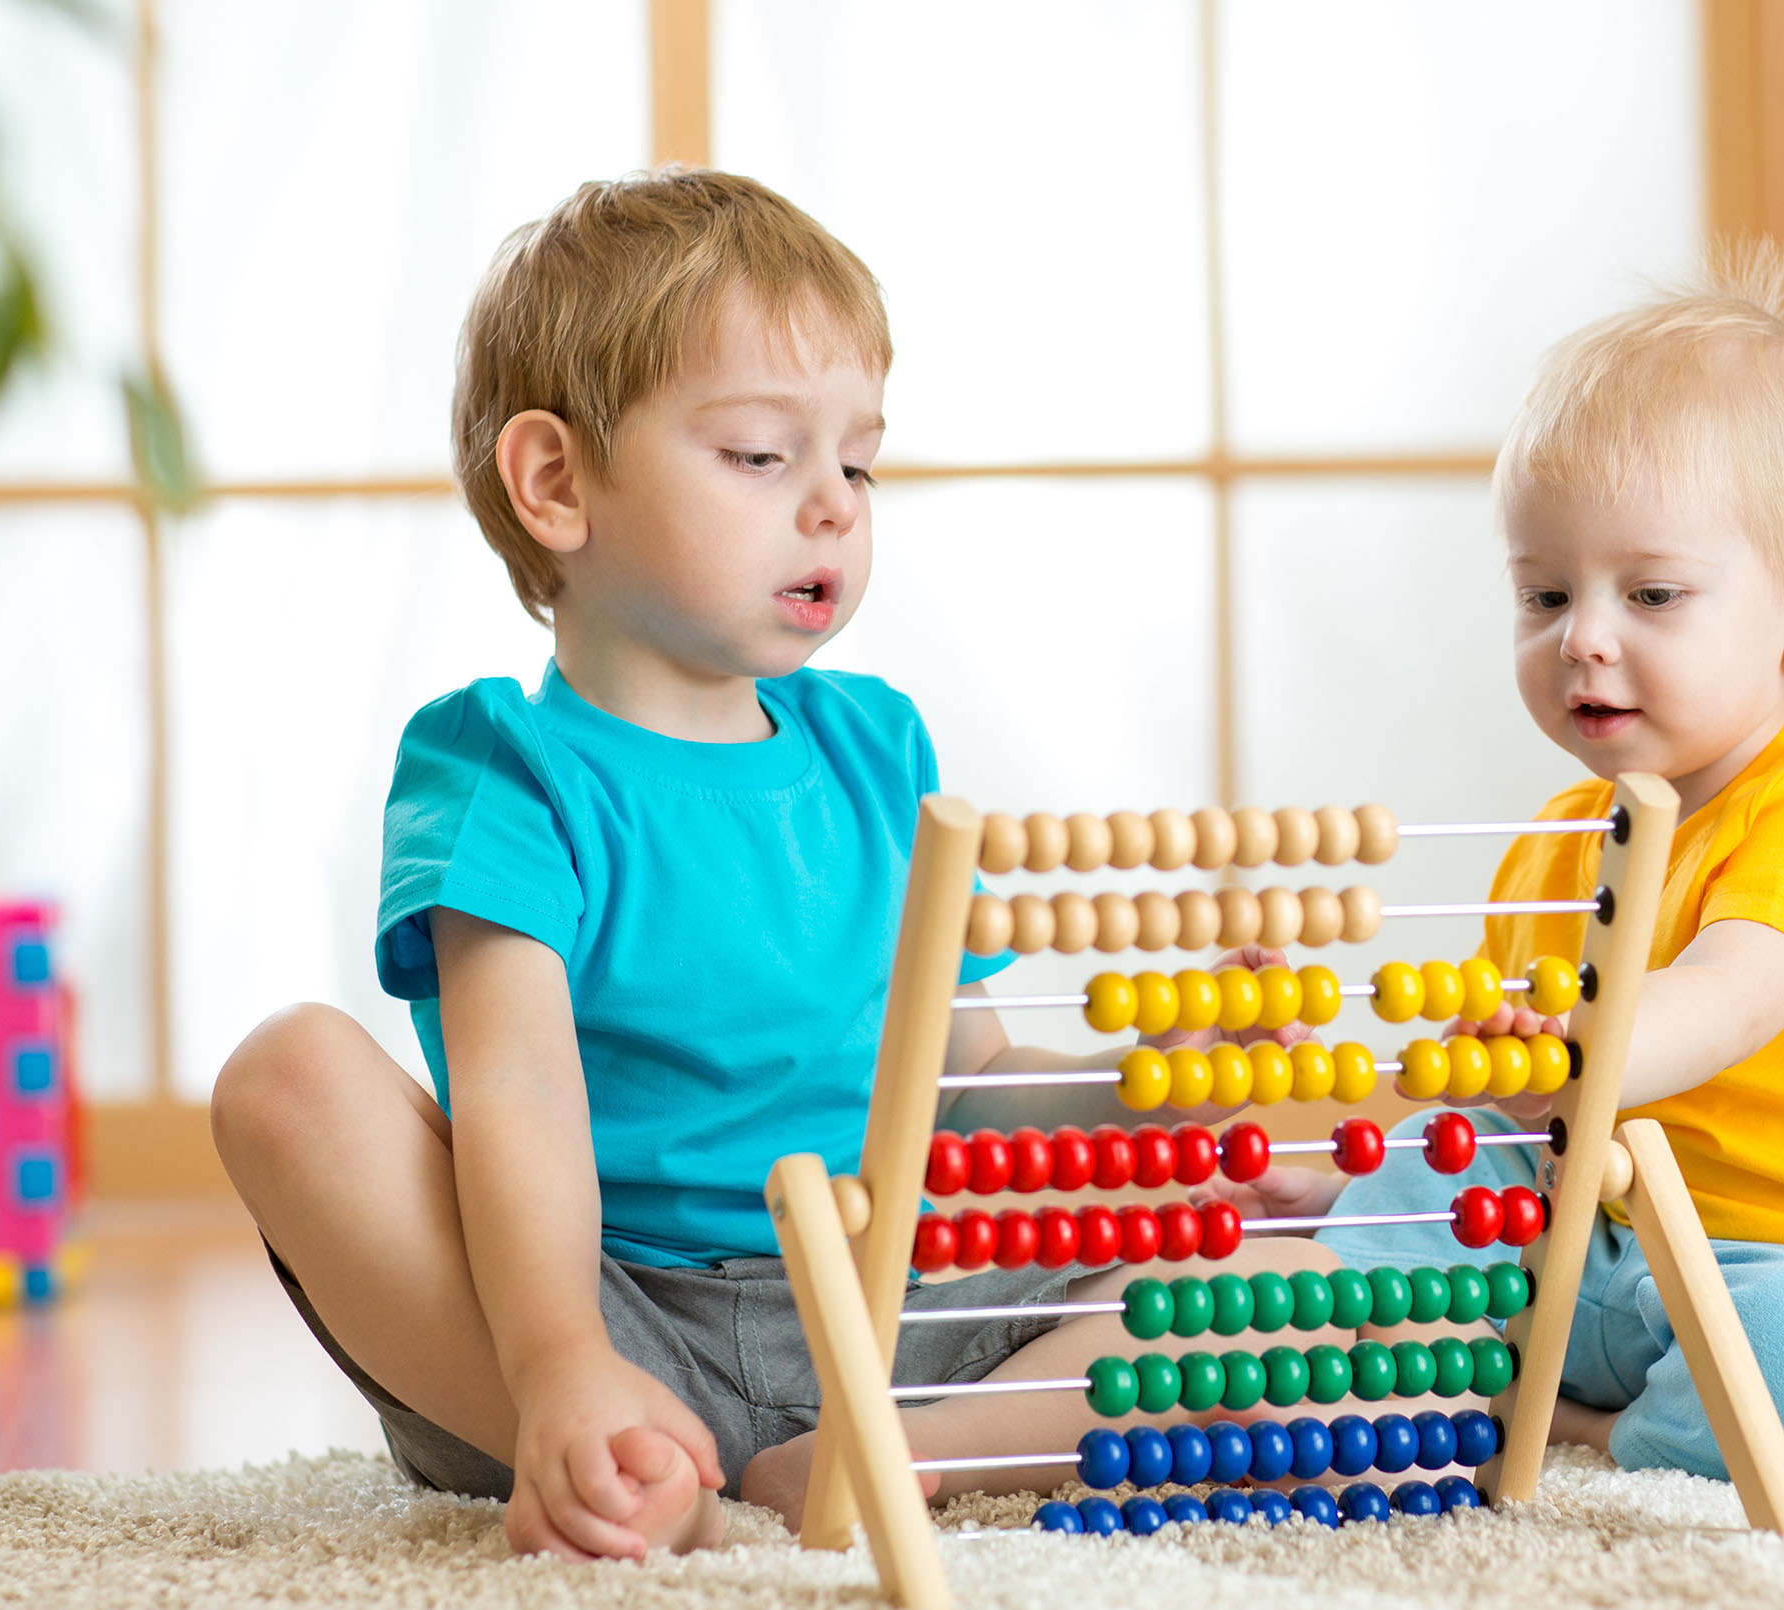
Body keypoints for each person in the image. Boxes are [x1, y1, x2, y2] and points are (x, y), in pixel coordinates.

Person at [208, 169, 1340, 1561]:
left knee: (1293, 1288)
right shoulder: (505, 768)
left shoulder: (881, 749)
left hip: (896, 1297)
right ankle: (608, 1445)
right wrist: (563, 1355)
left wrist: (1167, 1076)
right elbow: (515, 1097)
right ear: (557, 482)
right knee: (288, 1077)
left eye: (857, 462)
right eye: (762, 455)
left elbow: (965, 1082)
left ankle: (886, 1454)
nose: (833, 507)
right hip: (600, 1304)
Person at [1198, 244, 1784, 1486]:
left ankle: (1591, 1430)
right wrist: (1340, 1146)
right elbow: (1490, 1090)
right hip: (1612, 1250)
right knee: (1421, 1190)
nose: (1582, 638)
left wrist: (1567, 1035)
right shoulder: (1556, 843)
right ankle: (1553, 1379)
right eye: (1543, 595)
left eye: (1651, 594)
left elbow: (1718, 995)